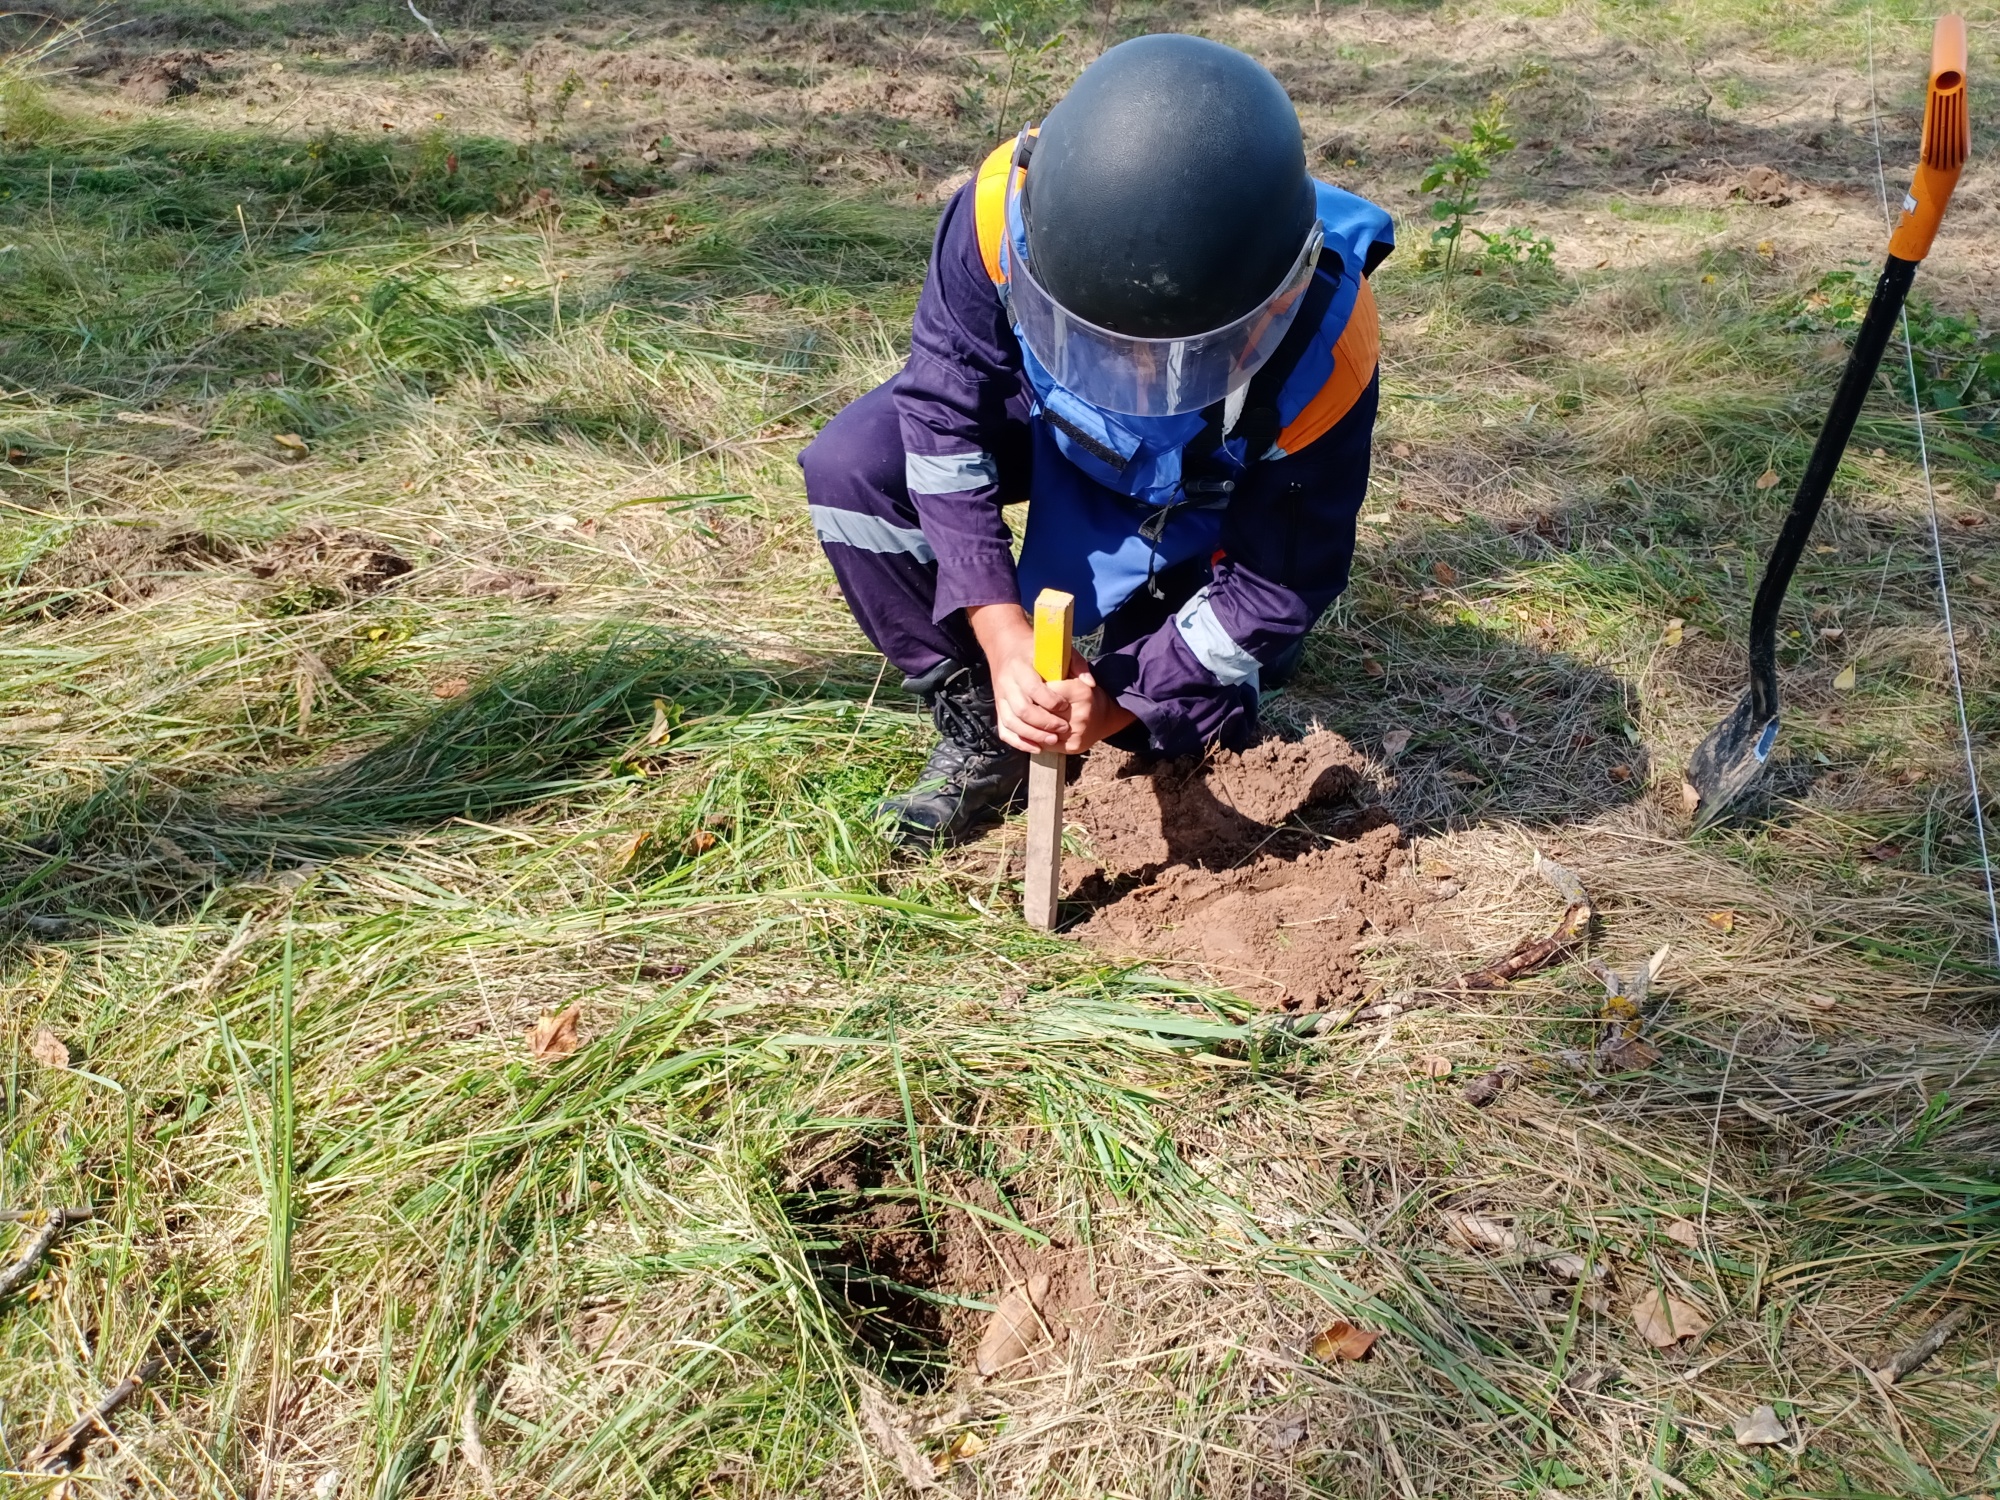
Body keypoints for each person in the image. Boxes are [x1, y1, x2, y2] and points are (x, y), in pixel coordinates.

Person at [799, 32, 1392, 847]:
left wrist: (1115, 697)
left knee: (1176, 710)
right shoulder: (1000, 212)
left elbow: (1280, 583)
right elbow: (943, 415)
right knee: (852, 469)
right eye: (1105, 345)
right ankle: (985, 728)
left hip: (1203, 482)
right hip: (1046, 421)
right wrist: (1000, 632)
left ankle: (1130, 687)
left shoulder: (1326, 350)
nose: (1136, 383)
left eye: (1170, 360)